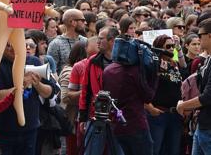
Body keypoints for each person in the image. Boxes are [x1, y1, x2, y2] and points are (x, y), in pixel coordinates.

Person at [102, 38, 158, 155]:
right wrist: (154, 73)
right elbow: (148, 96)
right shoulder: (134, 71)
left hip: (117, 123)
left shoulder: (108, 70)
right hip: (136, 123)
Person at [79, 26, 121, 155]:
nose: (97, 41)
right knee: (92, 151)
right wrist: (83, 117)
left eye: (101, 38)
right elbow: (85, 89)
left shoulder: (124, 61)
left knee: (119, 151)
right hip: (96, 115)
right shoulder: (92, 61)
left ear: (112, 41)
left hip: (119, 115)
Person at [176, 18, 211, 155]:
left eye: (200, 36)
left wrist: (183, 106)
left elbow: (208, 96)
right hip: (203, 125)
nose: (199, 40)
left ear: (209, 35)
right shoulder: (207, 59)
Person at [145, 35, 184, 155]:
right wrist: (149, 107)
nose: (172, 49)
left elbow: (185, 66)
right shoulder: (151, 65)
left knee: (173, 150)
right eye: (168, 46)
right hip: (158, 114)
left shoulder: (175, 64)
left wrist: (179, 47)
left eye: (173, 46)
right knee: (155, 150)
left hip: (175, 114)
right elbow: (142, 87)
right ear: (159, 48)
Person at [47, 9, 87, 74]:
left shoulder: (85, 41)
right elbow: (51, 71)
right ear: (73, 22)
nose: (85, 23)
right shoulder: (55, 44)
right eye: (82, 20)